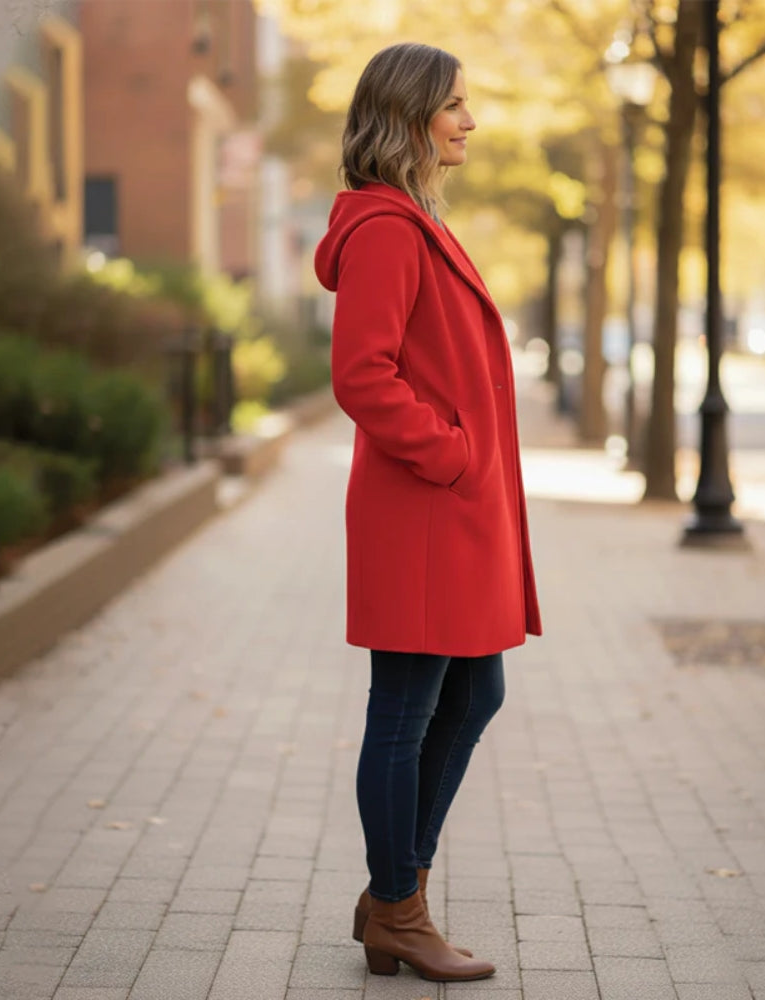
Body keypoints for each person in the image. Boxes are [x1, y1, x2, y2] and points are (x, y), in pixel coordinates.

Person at [314, 41, 542, 983]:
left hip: (447, 510)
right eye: (454, 104)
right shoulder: (386, 230)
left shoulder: (410, 220)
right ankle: (399, 907)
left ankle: (391, 894)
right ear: (409, 115)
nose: (470, 120)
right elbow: (361, 374)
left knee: (474, 691)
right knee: (406, 709)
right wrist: (451, 451)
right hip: (423, 507)